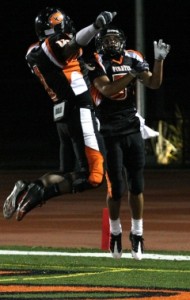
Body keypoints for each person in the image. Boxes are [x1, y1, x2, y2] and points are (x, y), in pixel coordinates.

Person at [3, 7, 117, 222]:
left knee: (66, 172)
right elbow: (71, 47)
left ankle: (30, 187)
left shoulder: (32, 51)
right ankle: (39, 193)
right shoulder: (55, 44)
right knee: (94, 176)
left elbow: (68, 65)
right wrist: (96, 26)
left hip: (63, 117)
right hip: (79, 111)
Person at [87, 26, 170, 260]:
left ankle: (137, 234)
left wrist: (159, 61)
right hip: (108, 130)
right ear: (100, 43)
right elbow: (108, 89)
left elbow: (154, 83)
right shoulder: (95, 61)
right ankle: (115, 232)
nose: (112, 43)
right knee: (116, 189)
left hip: (131, 127)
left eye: (115, 39)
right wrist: (133, 74)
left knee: (137, 185)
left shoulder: (133, 56)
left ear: (122, 41)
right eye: (107, 39)